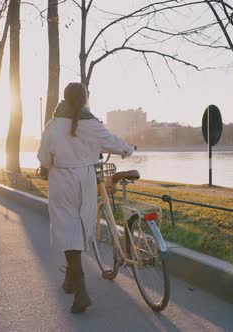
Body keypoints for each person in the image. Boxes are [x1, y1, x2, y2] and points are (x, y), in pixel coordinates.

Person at [37, 82, 134, 314]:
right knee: (80, 227)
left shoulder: (53, 125)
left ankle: (80, 289)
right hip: (87, 179)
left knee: (66, 229)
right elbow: (115, 143)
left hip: (61, 179)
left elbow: (43, 157)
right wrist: (129, 149)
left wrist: (50, 164)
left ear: (64, 99)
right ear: (85, 99)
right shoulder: (93, 123)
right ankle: (71, 281)